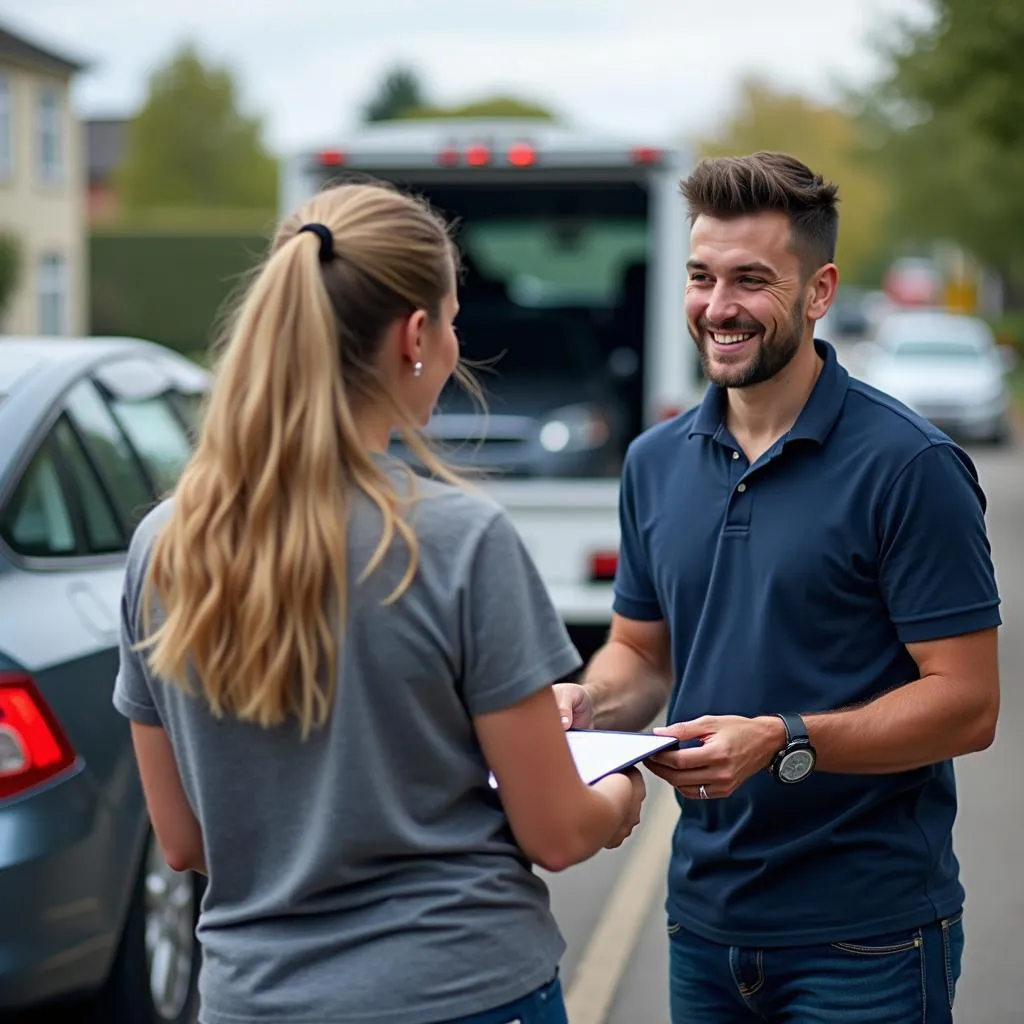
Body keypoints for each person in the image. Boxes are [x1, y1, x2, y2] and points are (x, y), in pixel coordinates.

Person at [112, 180, 646, 1024]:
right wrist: (620, 797)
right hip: (462, 993)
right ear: (416, 337)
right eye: (455, 318)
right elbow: (557, 831)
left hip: (253, 1002)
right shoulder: (461, 540)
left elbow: (184, 841)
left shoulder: (164, 547)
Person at [555, 151, 1001, 1023]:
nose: (717, 307)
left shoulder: (909, 466)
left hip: (868, 939)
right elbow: (643, 650)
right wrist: (590, 700)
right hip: (706, 927)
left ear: (820, 291)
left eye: (750, 280)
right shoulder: (653, 463)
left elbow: (968, 704)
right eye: (700, 276)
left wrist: (784, 738)